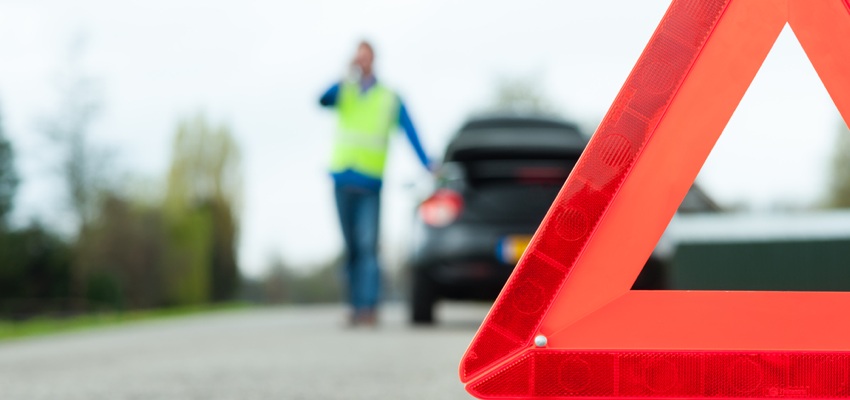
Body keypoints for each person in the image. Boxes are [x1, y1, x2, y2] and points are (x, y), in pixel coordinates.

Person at [319, 41, 431, 326]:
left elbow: (410, 130)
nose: (362, 62)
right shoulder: (345, 91)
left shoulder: (389, 97)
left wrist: (428, 164)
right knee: (351, 248)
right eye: (358, 58)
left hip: (369, 183)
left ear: (374, 60)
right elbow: (322, 100)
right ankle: (354, 305)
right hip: (342, 179)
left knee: (368, 246)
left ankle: (368, 308)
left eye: (366, 57)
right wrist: (345, 74)